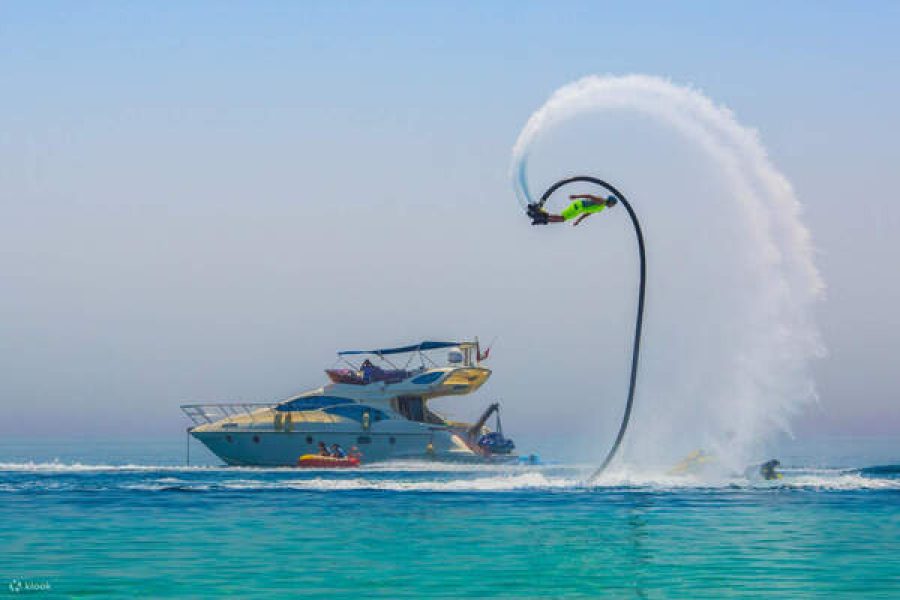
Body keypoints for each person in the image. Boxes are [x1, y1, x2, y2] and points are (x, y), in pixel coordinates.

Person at [528, 194, 617, 226]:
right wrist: (576, 197)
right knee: (562, 218)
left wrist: (578, 220)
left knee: (561, 218)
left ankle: (541, 217)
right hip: (579, 206)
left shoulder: (602, 206)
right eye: (613, 204)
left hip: (579, 210)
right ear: (611, 202)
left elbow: (588, 213)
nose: (613, 206)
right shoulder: (601, 201)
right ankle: (541, 217)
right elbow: (589, 196)